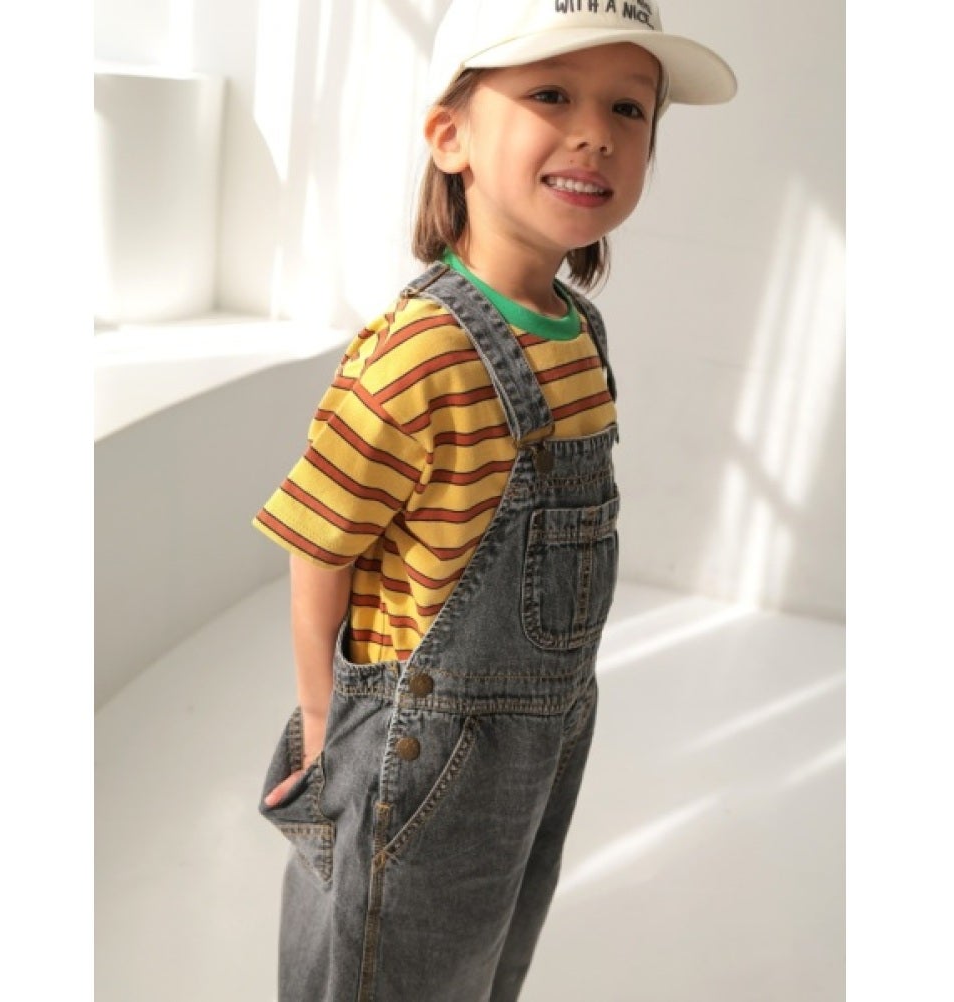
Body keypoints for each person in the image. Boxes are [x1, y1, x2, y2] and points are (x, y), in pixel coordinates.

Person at [254, 1, 735, 998]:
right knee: (388, 969)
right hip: (419, 753)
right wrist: (322, 721)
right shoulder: (417, 355)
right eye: (551, 94)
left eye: (629, 108)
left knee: (478, 964)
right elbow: (320, 541)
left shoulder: (579, 333)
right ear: (451, 136)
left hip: (541, 738)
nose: (596, 132)